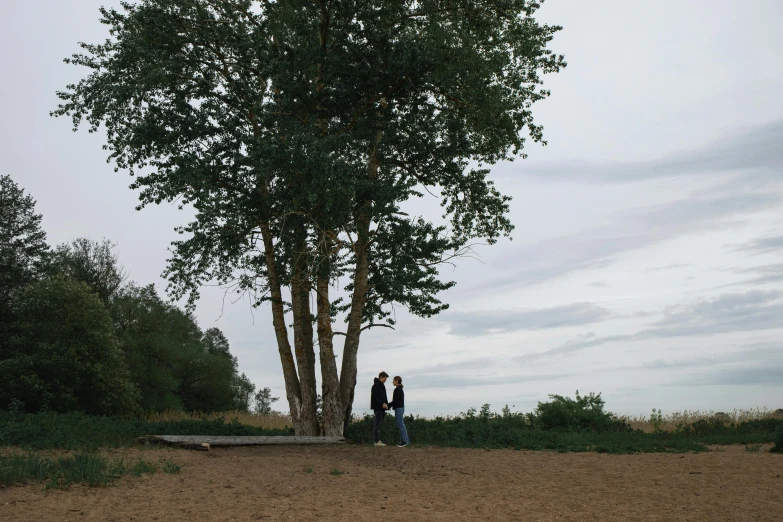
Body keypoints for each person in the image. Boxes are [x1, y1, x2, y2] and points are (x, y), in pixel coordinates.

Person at [388, 376, 410, 447]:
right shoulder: (399, 389)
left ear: (397, 381)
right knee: (400, 424)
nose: (393, 382)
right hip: (400, 408)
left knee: (400, 424)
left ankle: (404, 441)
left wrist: (388, 405)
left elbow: (395, 401)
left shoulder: (397, 389)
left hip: (399, 408)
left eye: (393, 380)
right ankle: (405, 441)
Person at [370, 371, 389, 446]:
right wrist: (382, 403)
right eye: (385, 378)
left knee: (379, 424)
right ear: (381, 377)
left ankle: (377, 440)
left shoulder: (381, 385)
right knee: (377, 424)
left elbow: (383, 397)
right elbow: (374, 397)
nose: (385, 380)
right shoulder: (376, 386)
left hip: (382, 408)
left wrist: (386, 404)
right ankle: (376, 441)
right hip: (378, 408)